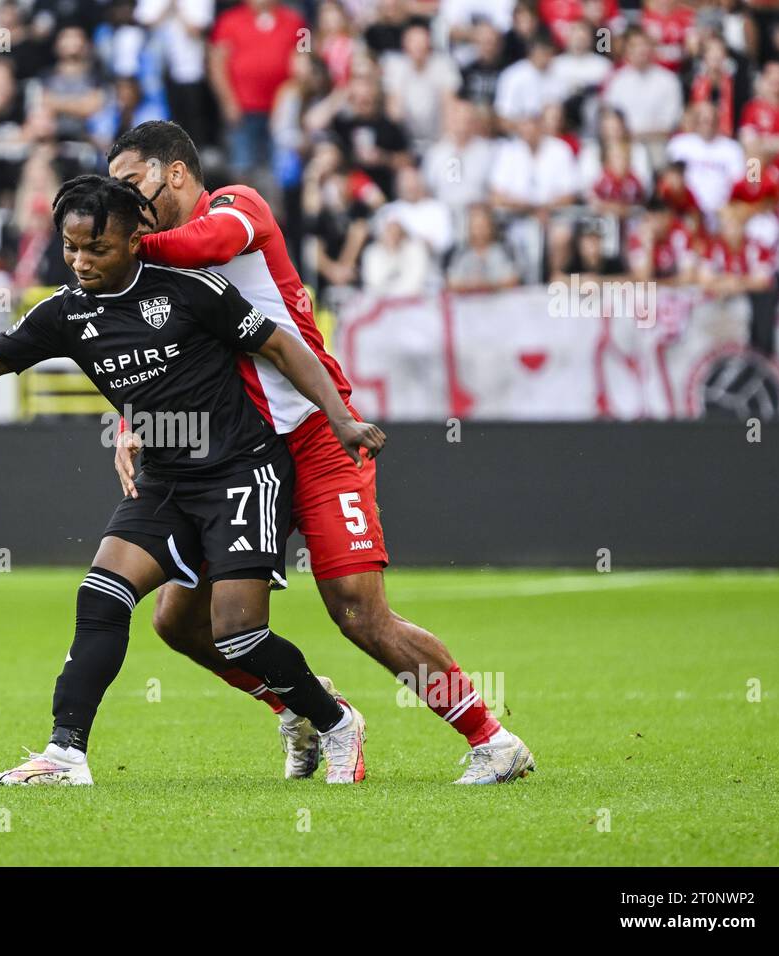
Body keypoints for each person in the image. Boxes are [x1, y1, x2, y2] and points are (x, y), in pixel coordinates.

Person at [0, 175, 379, 786]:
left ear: (136, 239)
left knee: (238, 635)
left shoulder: (193, 290)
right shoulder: (66, 313)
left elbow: (283, 347)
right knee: (101, 594)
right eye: (71, 247)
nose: (81, 262)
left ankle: (334, 722)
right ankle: (65, 754)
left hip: (240, 471)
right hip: (165, 479)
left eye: (97, 249)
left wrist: (342, 419)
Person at [108, 120, 535, 784]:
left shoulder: (235, 209)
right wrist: (137, 426)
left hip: (318, 434)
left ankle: (492, 738)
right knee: (179, 621)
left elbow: (204, 244)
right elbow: (163, 363)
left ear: (176, 172)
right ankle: (310, 709)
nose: (123, 207)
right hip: (242, 455)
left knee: (359, 611)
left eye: (130, 187)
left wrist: (127, 246)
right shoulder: (164, 271)